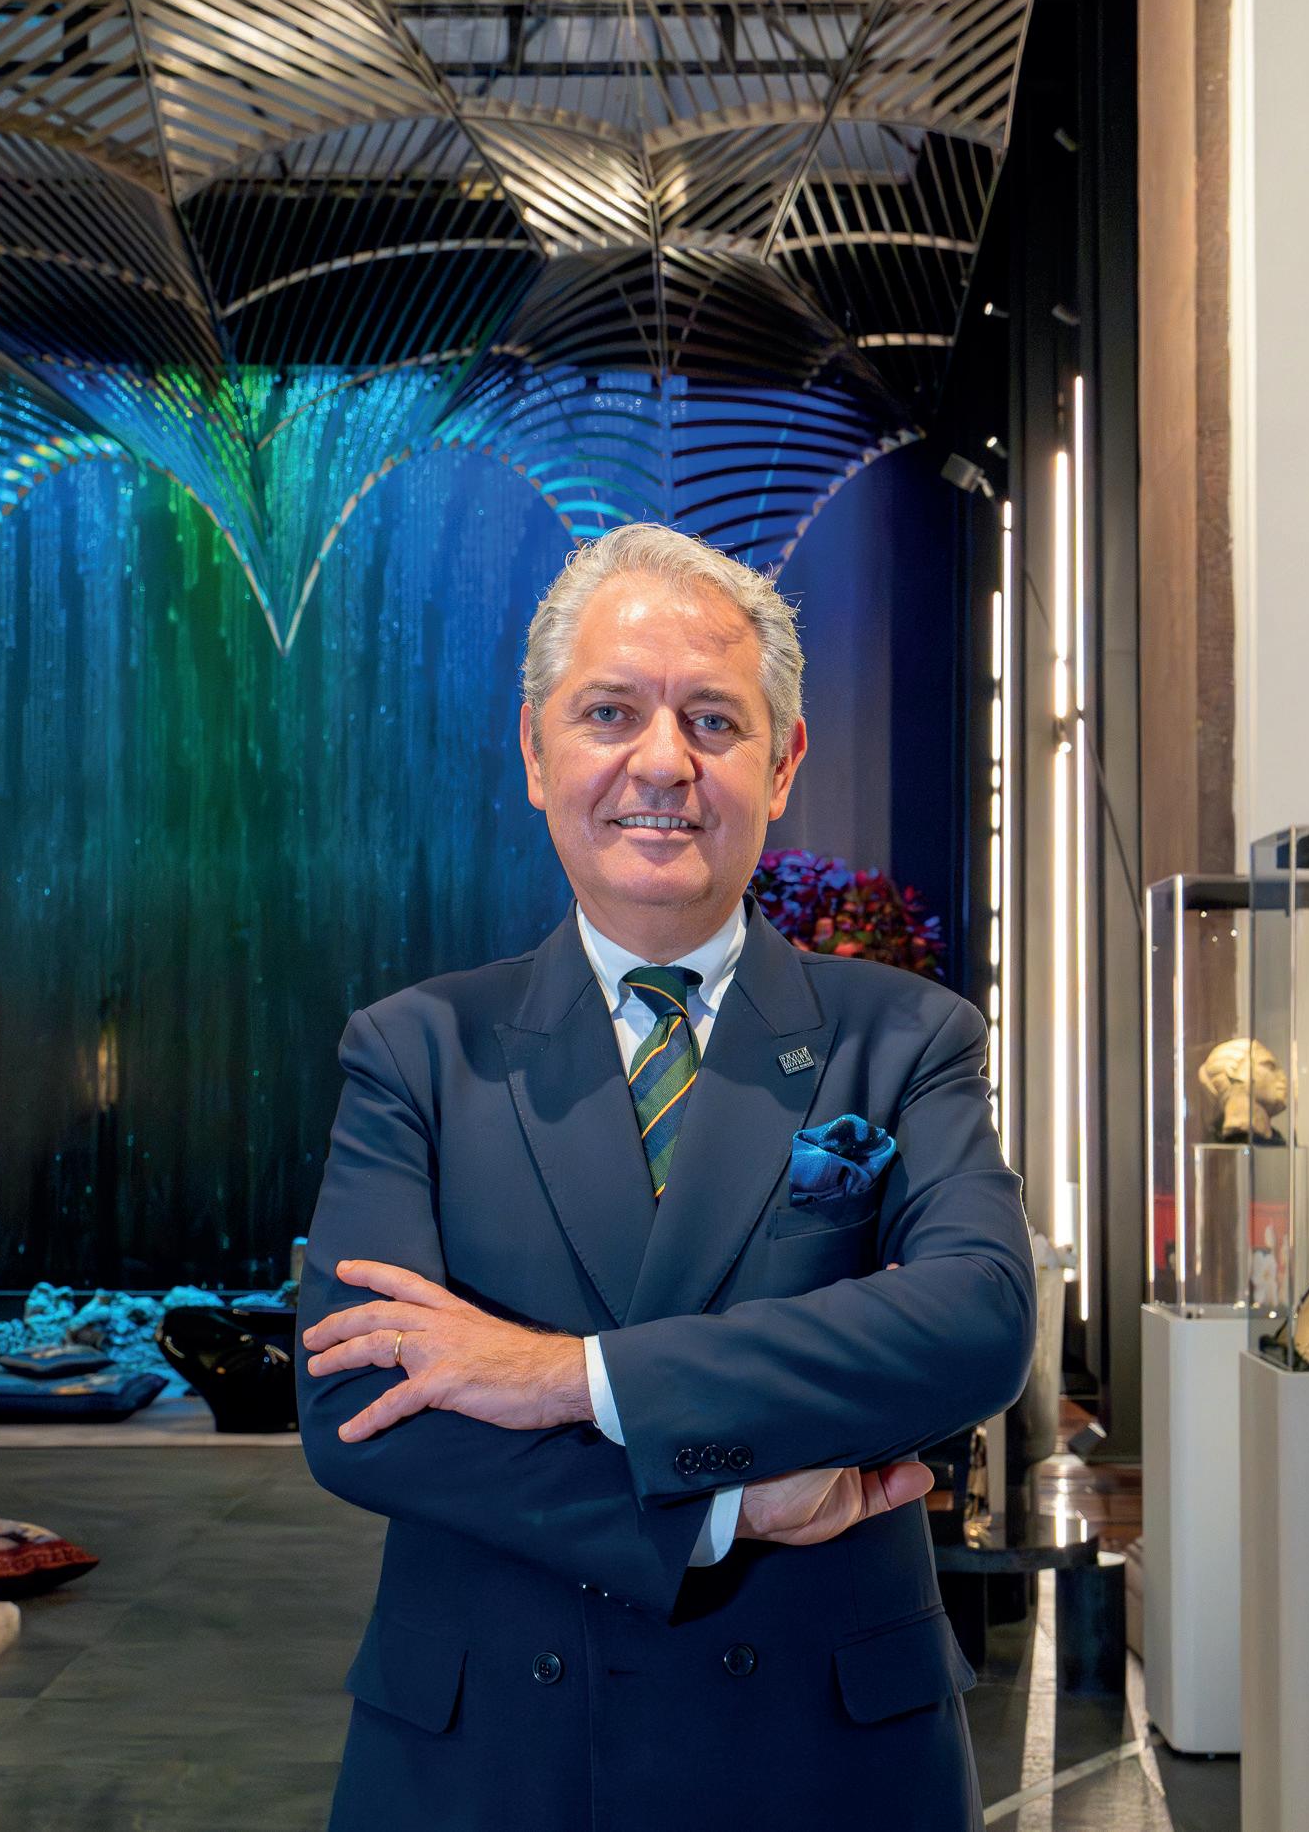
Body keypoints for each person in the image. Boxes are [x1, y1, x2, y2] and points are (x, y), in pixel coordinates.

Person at [296, 522, 1037, 1832]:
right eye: (609, 712)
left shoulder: (907, 1036)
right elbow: (362, 1402)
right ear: (536, 752)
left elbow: (975, 1319)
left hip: (822, 1759)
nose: (661, 762)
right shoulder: (416, 1050)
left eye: (712, 719)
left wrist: (567, 1376)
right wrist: (723, 1507)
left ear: (783, 761)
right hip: (493, 1758)